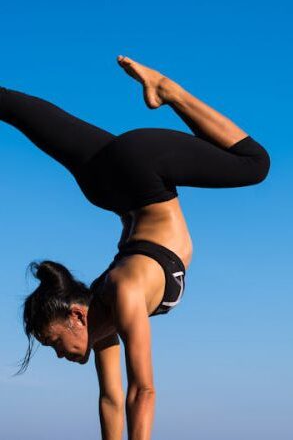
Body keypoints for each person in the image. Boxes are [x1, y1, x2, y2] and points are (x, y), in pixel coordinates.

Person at [1, 56, 270, 440]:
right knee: (14, 110)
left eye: (55, 343)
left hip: (144, 172)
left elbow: (142, 390)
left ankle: (168, 90)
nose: (59, 355)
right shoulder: (100, 327)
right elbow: (111, 400)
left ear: (77, 316)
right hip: (105, 183)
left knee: (255, 164)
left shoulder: (123, 293)